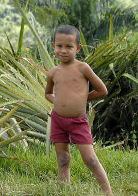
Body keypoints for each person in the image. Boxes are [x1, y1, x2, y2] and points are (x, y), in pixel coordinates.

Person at [45, 25, 112, 195]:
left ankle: (108, 192)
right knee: (62, 158)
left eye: (69, 46)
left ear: (78, 48)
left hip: (78, 121)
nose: (63, 50)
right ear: (53, 46)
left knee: (90, 159)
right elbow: (48, 93)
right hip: (58, 120)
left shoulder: (83, 68)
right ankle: (64, 189)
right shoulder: (53, 72)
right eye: (59, 46)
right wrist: (58, 101)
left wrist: (81, 99)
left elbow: (102, 90)